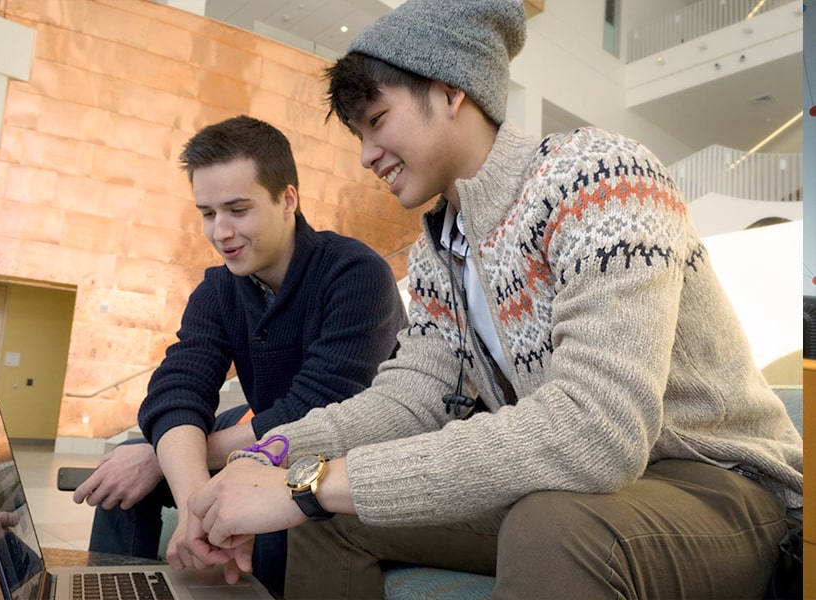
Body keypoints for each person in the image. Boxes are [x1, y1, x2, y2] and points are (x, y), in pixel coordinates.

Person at [180, 2, 804, 598]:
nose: (366, 154)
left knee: (552, 527)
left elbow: (600, 427)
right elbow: (412, 396)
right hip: (581, 487)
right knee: (325, 519)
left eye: (376, 121)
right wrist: (273, 454)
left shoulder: (602, 177)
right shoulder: (436, 252)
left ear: (452, 92)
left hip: (721, 485)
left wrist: (313, 481)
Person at [71, 115, 407, 596]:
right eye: (207, 213)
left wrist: (161, 455)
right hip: (271, 431)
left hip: (342, 453)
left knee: (245, 480)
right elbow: (179, 388)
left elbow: (316, 413)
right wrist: (190, 503)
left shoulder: (357, 274)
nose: (220, 231)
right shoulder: (219, 288)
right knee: (127, 470)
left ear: (288, 199)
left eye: (237, 209)